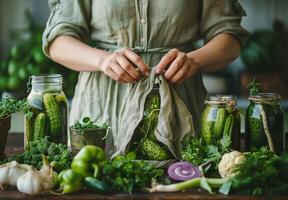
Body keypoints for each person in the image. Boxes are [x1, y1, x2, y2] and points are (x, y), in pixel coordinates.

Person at [42, 0, 248, 146]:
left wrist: (194, 60)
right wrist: (103, 60)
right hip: (103, 104)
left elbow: (230, 37)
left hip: (178, 99)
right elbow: (57, 42)